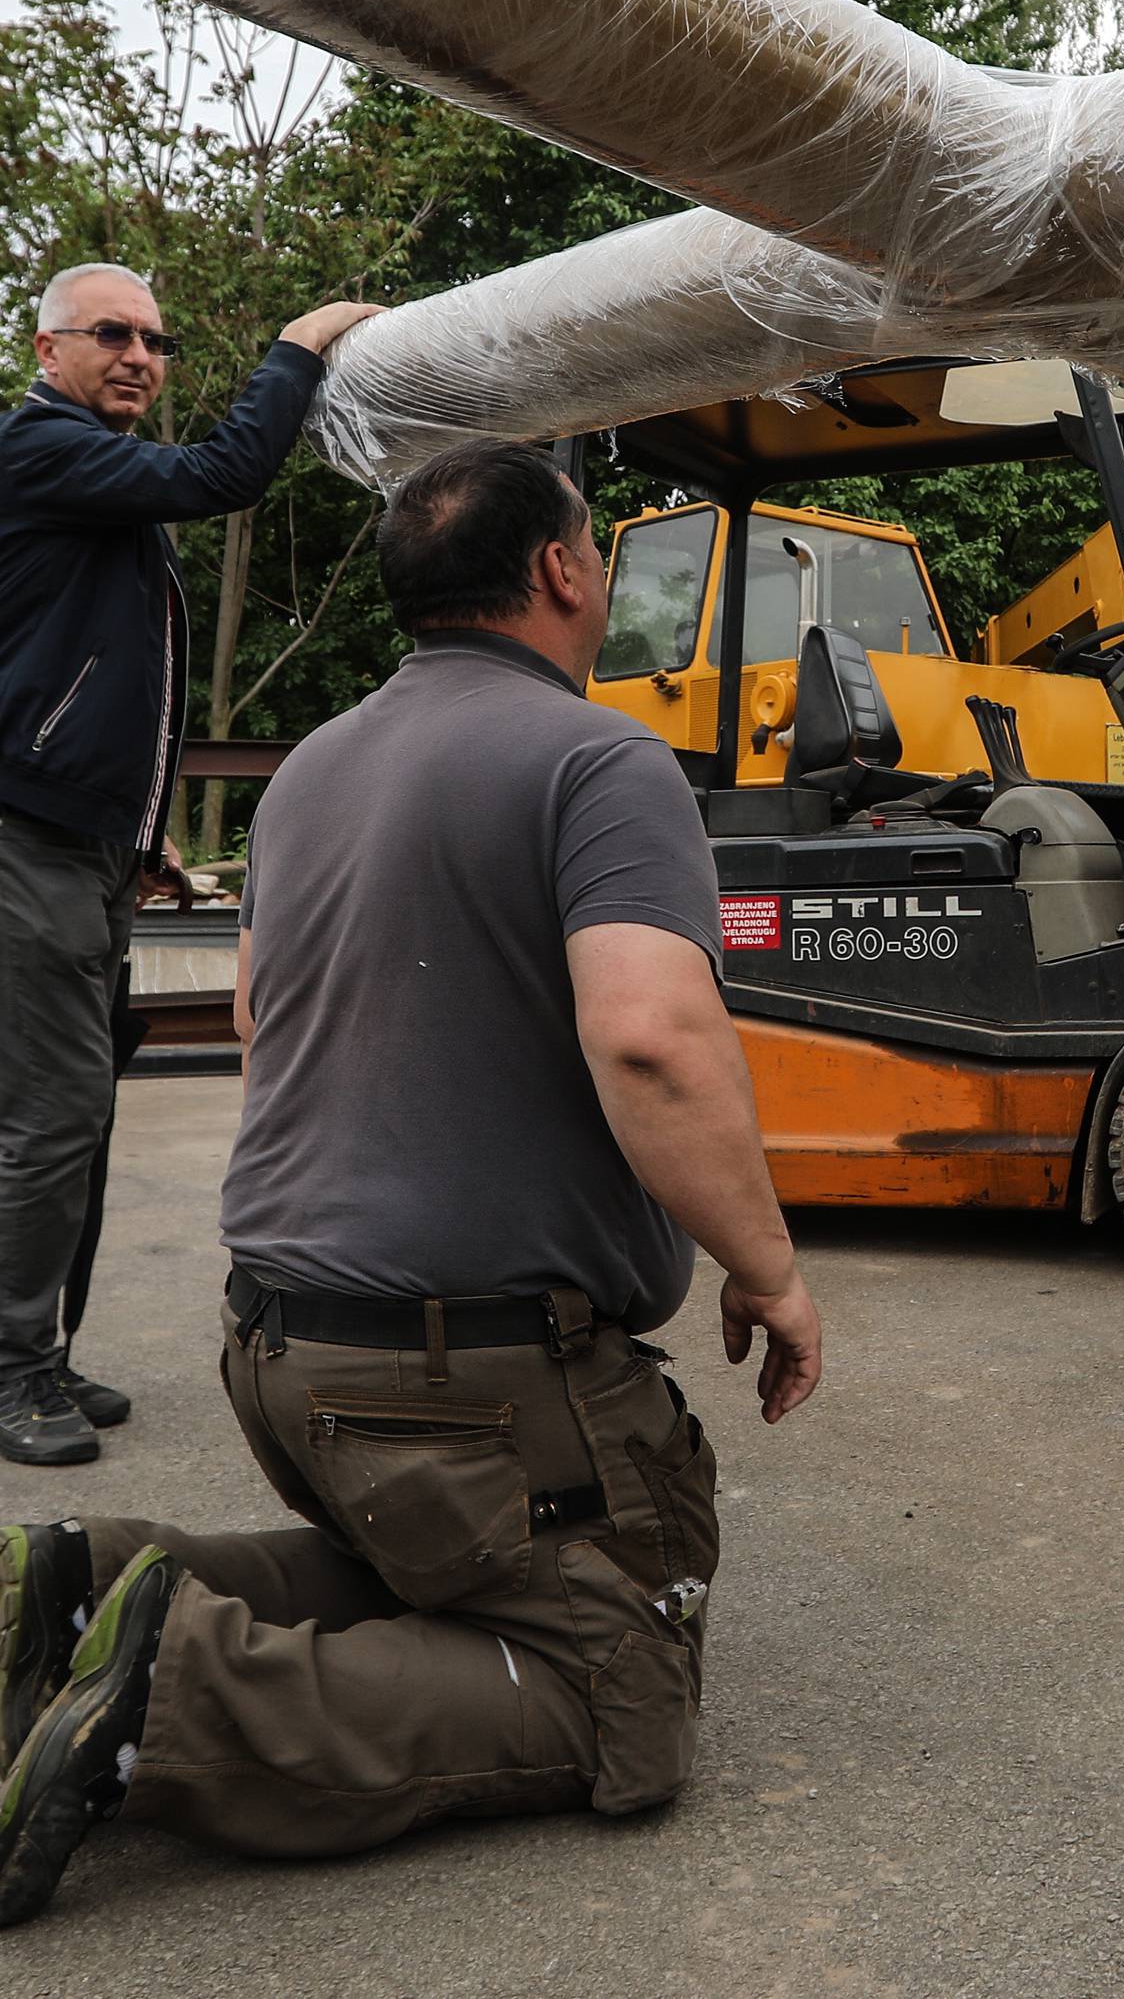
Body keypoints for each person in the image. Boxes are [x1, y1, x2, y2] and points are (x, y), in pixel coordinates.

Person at [0, 436, 821, 1926]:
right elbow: (651, 1038)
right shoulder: (600, 756)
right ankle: (162, 1704)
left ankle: (79, 1580)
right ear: (562, 569)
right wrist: (769, 1269)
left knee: (429, 1564)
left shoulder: (312, 764)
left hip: (280, 1352)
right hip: (457, 1380)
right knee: (613, 1685)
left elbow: (265, 1016)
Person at [0, 262, 380, 1469]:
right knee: (52, 1116)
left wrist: (141, 823)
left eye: (156, 340)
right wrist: (304, 339)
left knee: (72, 1110)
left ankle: (37, 1352)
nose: (140, 355)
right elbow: (224, 473)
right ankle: (13, 1369)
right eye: (111, 333)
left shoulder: (91, 484)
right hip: (26, 842)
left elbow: (88, 672)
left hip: (83, 839)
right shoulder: (41, 446)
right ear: (47, 347)